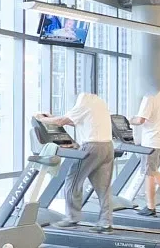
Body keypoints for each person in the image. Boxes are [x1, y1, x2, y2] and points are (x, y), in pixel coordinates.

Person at [47, 90, 115, 229]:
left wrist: (41, 119)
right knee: (104, 188)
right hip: (107, 146)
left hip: (92, 146)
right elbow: (78, 121)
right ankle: (106, 222)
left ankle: (72, 217)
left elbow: (61, 121)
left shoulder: (84, 100)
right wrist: (51, 118)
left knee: (73, 181)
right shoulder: (99, 102)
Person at [131, 85, 160, 216]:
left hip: (151, 141)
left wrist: (130, 120)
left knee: (149, 173)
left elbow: (140, 120)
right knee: (153, 171)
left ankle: (152, 206)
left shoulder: (149, 97)